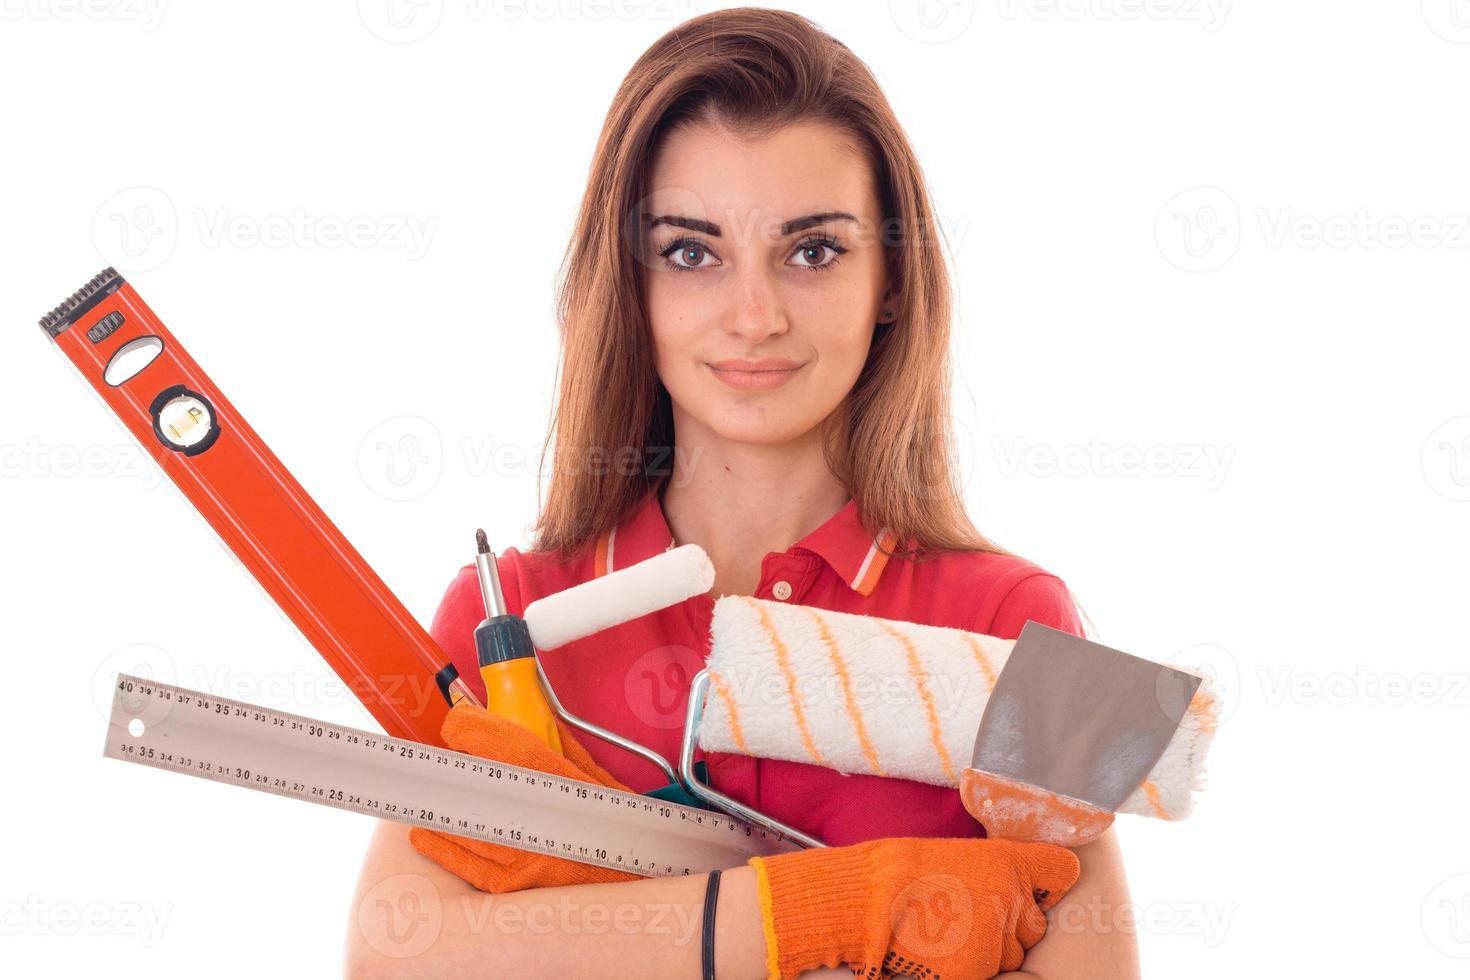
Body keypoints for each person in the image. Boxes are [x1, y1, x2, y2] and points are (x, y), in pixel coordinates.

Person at [346, 8, 1139, 978]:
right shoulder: (507, 615)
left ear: (891, 277)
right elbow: (395, 955)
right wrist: (828, 907)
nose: (754, 316)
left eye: (813, 251)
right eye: (691, 251)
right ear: (628, 282)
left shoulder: (1023, 617)